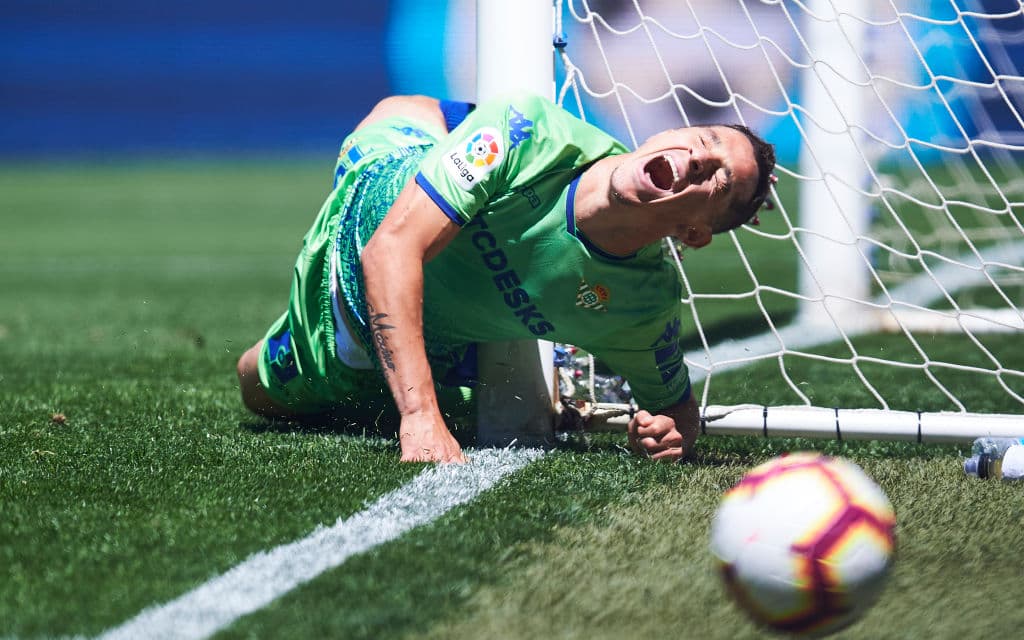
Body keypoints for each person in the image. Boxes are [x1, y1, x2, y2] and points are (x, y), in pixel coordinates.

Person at [236, 91, 776, 464]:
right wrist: (419, 416)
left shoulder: (644, 306)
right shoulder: (531, 128)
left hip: (348, 317)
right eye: (705, 137)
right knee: (400, 108)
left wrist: (676, 432)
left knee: (255, 387)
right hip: (377, 179)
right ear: (674, 130)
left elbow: (676, 406)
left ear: (694, 232)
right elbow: (391, 248)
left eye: (722, 181)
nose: (700, 157)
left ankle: (511, 367)